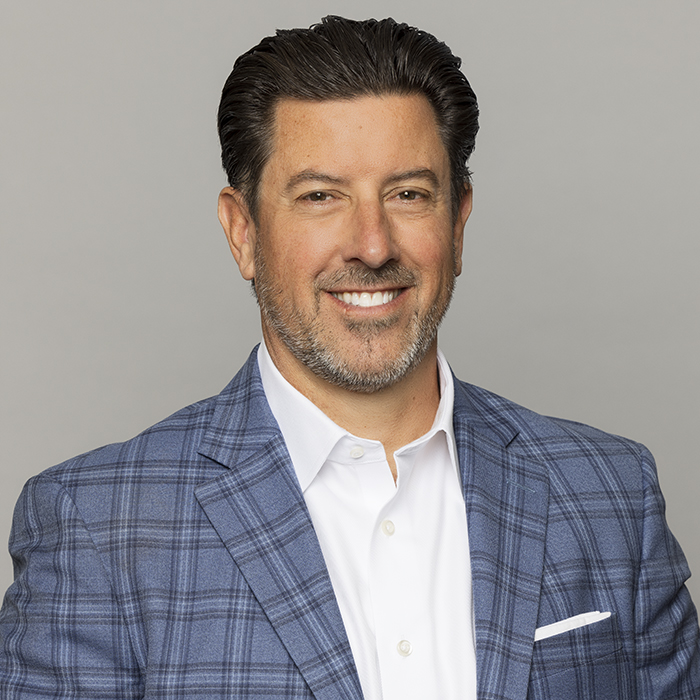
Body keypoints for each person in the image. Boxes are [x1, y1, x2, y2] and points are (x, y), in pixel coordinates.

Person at [0, 15, 698, 700]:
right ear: (243, 233)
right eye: (320, 197)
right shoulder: (99, 527)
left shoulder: (610, 496)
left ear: (458, 223)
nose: (372, 245)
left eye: (408, 194)